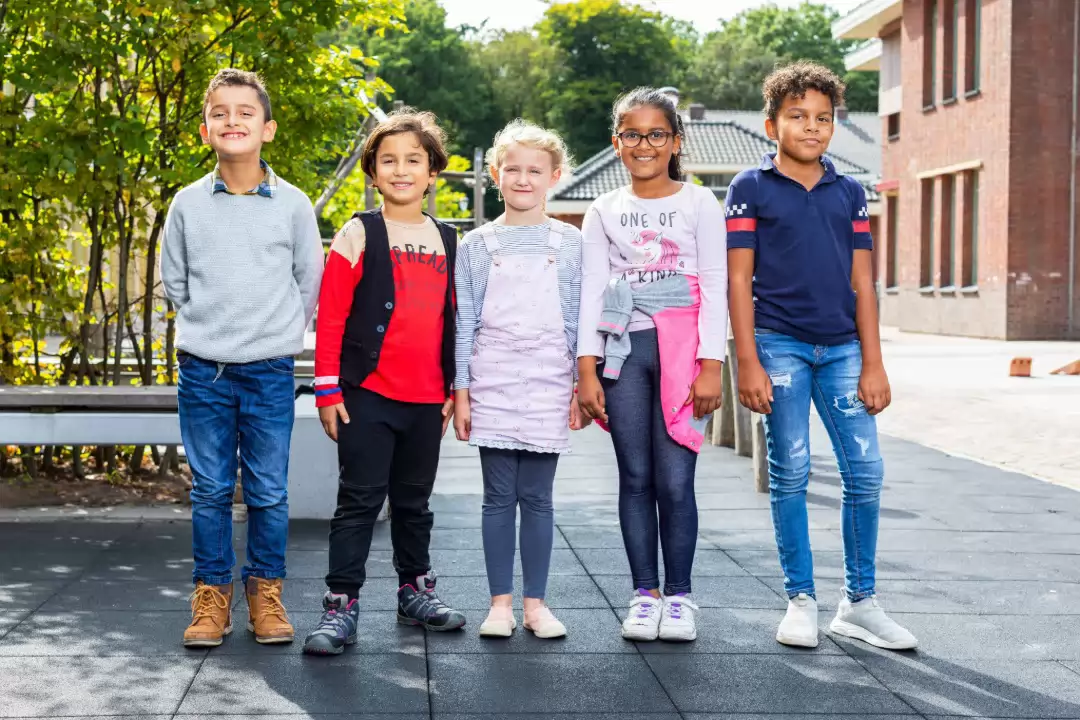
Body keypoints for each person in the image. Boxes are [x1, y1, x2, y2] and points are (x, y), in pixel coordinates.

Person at [725, 62, 917, 651]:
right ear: (772, 123)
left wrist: (874, 361)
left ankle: (859, 602)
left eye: (824, 118)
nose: (812, 128)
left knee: (866, 471)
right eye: (798, 117)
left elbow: (864, 281)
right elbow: (737, 281)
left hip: (842, 350)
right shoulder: (749, 189)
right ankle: (801, 598)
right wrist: (749, 360)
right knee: (792, 469)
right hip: (778, 344)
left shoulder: (850, 192)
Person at [160, 68, 324, 648]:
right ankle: (211, 598)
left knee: (268, 491)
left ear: (268, 128)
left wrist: (270, 335)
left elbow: (309, 282)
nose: (233, 121)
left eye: (245, 112)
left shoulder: (293, 205)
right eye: (221, 113)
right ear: (206, 130)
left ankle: (265, 594)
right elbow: (174, 282)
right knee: (208, 490)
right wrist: (214, 329)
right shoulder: (186, 204)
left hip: (271, 371)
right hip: (203, 370)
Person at [302, 108, 464, 655]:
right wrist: (328, 389)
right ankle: (340, 605)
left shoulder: (448, 238)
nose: (401, 170)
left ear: (432, 171)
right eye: (388, 161)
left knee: (414, 503)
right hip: (366, 396)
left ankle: (414, 591)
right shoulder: (359, 232)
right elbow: (331, 316)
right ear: (373, 173)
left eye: (413, 161)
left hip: (426, 400)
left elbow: (457, 322)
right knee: (359, 502)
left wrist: (453, 390)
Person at [576, 88, 728, 642]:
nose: (645, 144)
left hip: (683, 351)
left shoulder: (699, 203)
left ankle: (681, 596)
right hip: (624, 350)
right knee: (635, 476)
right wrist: (587, 368)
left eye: (656, 134)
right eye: (633, 134)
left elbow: (715, 283)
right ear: (617, 143)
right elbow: (593, 288)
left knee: (675, 479)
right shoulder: (603, 209)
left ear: (675, 142)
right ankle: (646, 594)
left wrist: (712, 362)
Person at [453, 119, 587, 639]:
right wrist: (461, 390)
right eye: (513, 169)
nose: (523, 179)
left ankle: (536, 605)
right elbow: (465, 319)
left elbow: (577, 316)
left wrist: (580, 384)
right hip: (493, 378)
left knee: (538, 497)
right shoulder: (477, 244)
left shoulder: (570, 242)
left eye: (535, 170)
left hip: (551, 377)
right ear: (495, 174)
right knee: (496, 496)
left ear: (555, 176)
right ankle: (499, 605)